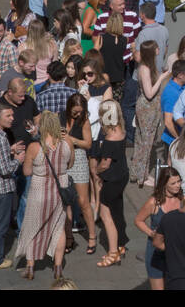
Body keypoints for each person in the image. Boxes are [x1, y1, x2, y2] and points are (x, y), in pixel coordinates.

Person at [11, 110, 71, 280]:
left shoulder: (35, 147)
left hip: (40, 189)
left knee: (32, 226)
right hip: (60, 188)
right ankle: (58, 267)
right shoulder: (66, 143)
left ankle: (30, 267)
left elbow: (27, 171)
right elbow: (70, 163)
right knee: (58, 228)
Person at [91, 99, 130, 268]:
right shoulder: (121, 131)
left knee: (106, 215)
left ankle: (113, 252)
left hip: (112, 179)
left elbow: (105, 163)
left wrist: (95, 171)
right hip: (122, 175)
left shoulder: (109, 138)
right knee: (118, 211)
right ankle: (121, 244)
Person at [134, 166, 182, 289]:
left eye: (179, 181)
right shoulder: (154, 202)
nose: (178, 185)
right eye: (173, 183)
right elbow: (138, 220)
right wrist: (151, 234)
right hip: (156, 253)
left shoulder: (182, 200)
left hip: (175, 252)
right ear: (164, 184)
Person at [129, 41, 168, 186]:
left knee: (144, 140)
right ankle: (141, 176)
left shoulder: (149, 67)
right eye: (156, 48)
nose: (159, 49)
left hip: (151, 107)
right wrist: (162, 78)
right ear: (152, 51)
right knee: (145, 141)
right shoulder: (144, 68)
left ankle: (139, 172)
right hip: (147, 107)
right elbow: (149, 93)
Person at [61, 93, 96, 255]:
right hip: (63, 158)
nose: (78, 114)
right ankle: (68, 237)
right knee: (65, 201)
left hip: (79, 158)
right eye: (75, 111)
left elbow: (88, 144)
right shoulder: (61, 117)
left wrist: (71, 139)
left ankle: (92, 236)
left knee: (83, 201)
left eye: (80, 111)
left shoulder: (84, 121)